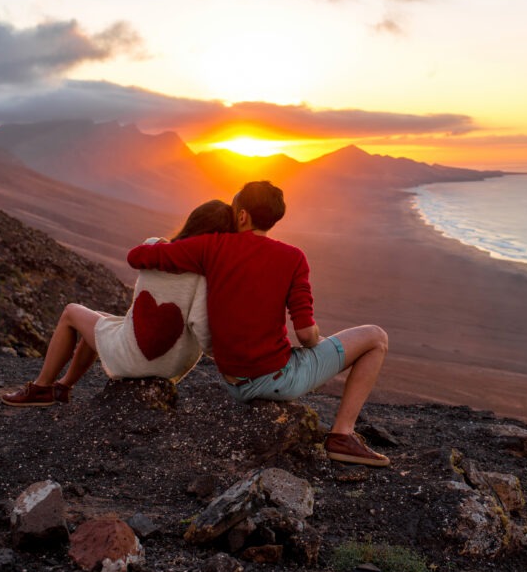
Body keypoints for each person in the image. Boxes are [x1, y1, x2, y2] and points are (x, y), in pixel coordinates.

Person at [126, 181, 391, 467]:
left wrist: (169, 246)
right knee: (376, 337)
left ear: (242, 216)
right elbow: (305, 335)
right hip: (276, 380)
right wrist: (318, 342)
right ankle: (342, 435)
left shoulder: (211, 246)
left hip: (233, 382)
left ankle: (342, 434)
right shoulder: (293, 257)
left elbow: (136, 256)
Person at [1, 200, 235, 407]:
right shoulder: (206, 275)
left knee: (71, 312)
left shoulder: (155, 248)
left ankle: (41, 388)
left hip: (136, 359)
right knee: (102, 318)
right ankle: (63, 386)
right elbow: (202, 328)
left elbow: (139, 256)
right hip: (170, 367)